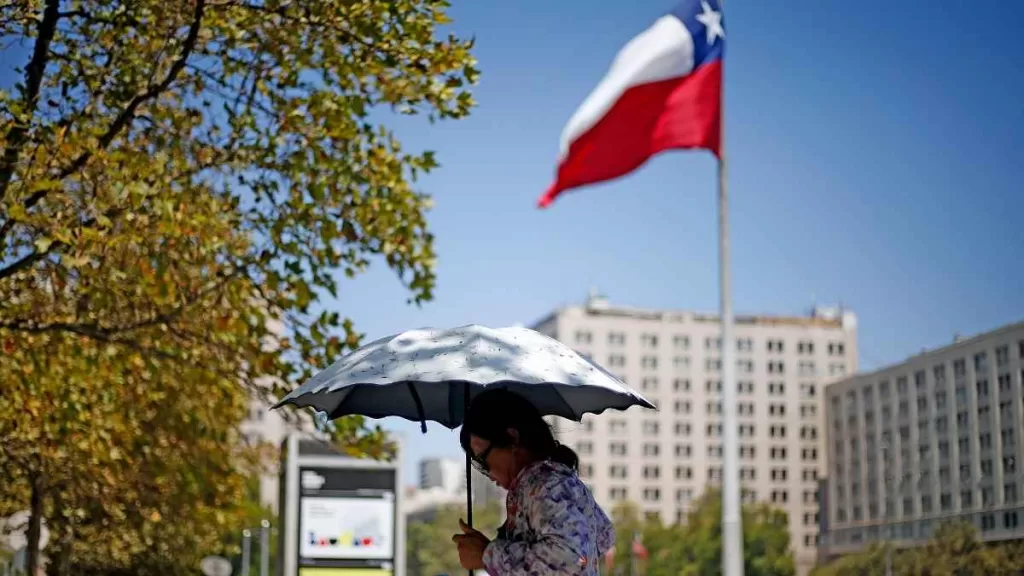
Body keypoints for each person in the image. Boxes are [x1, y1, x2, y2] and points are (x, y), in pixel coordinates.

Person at [451, 388, 614, 575]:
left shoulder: (546, 485)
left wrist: (487, 554)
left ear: (512, 438)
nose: (488, 472)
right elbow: (603, 536)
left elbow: (568, 561)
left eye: (483, 457)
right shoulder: (549, 481)